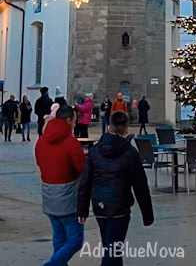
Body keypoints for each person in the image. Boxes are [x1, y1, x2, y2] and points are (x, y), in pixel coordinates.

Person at [78, 110, 153, 266]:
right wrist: (147, 214)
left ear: (109, 127)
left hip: (99, 205)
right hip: (120, 207)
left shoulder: (94, 151)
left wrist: (82, 209)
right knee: (112, 251)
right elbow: (140, 185)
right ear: (126, 129)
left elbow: (85, 181)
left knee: (111, 247)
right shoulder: (130, 153)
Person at [35, 105, 86, 266]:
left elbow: (39, 163)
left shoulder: (41, 141)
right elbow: (81, 169)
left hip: (48, 194)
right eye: (75, 121)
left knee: (59, 237)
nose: (75, 124)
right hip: (68, 196)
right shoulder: (71, 143)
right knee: (75, 240)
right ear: (69, 120)